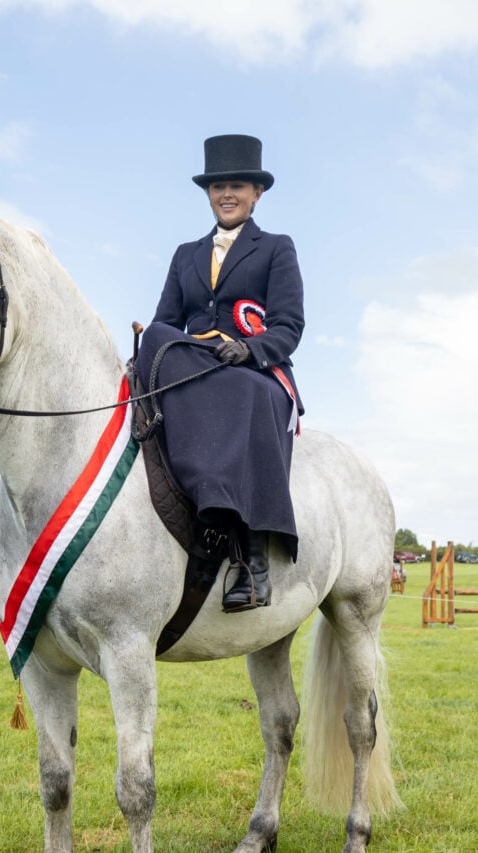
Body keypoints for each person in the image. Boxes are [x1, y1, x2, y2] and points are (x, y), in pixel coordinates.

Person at [137, 134, 304, 612]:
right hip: (193, 365)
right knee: (153, 338)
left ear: (256, 194)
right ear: (208, 194)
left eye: (236, 186)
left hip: (254, 372)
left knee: (240, 389)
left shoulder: (275, 248)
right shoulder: (184, 254)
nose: (226, 195)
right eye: (217, 188)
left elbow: (290, 325)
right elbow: (165, 321)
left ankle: (251, 560)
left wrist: (250, 349)